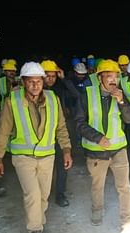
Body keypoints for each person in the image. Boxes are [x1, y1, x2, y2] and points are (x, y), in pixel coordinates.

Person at [0, 62, 72, 233]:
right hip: (23, 157)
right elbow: (3, 131)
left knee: (44, 196)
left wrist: (66, 150)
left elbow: (61, 127)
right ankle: (35, 228)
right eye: (30, 81)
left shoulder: (53, 99)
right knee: (32, 195)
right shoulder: (12, 101)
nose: (35, 85)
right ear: (23, 82)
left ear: (43, 81)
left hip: (47, 156)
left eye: (38, 81)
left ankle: (38, 220)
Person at [75, 59, 130, 231]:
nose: (113, 79)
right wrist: (98, 137)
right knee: (97, 185)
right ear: (99, 77)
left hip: (119, 149)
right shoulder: (86, 94)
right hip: (96, 151)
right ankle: (97, 210)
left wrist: (122, 102)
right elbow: (79, 123)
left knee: (124, 187)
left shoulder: (120, 94)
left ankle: (127, 220)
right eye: (108, 75)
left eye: (115, 76)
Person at [41, 60, 79, 207]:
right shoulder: (33, 90)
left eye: (53, 76)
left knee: (62, 164)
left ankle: (60, 194)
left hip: (59, 131)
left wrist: (64, 79)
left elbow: (76, 95)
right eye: (47, 76)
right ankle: (43, 194)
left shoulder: (61, 89)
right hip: (41, 135)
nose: (50, 79)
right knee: (44, 168)